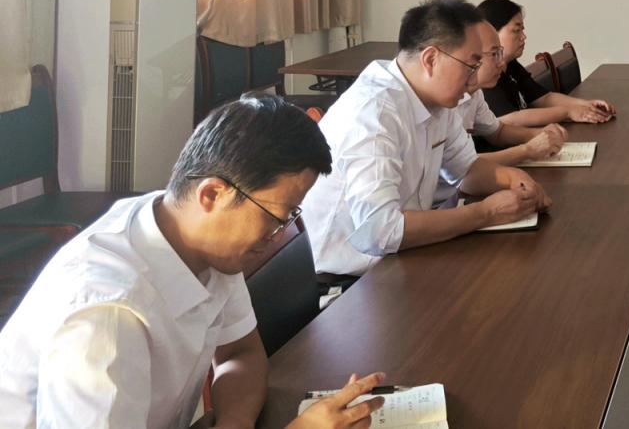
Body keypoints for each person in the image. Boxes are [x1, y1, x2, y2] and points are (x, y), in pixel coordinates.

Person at [0, 97, 386, 428]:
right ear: (212, 194)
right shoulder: (107, 316)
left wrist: (233, 423)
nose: (276, 235)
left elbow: (241, 354)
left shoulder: (193, 233)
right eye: (275, 217)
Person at [303, 0, 554, 280]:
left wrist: (515, 180)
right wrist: (485, 213)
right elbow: (380, 231)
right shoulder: (373, 114)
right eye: (471, 66)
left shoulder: (436, 99)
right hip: (354, 279)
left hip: (404, 256)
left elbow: (466, 170)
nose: (474, 81)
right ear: (431, 59)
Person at [477, 0, 616, 126]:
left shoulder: (511, 65)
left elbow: (543, 98)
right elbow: (510, 119)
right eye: (516, 30)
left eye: (522, 30)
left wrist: (584, 105)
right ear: (490, 32)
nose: (524, 36)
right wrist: (568, 112)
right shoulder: (486, 74)